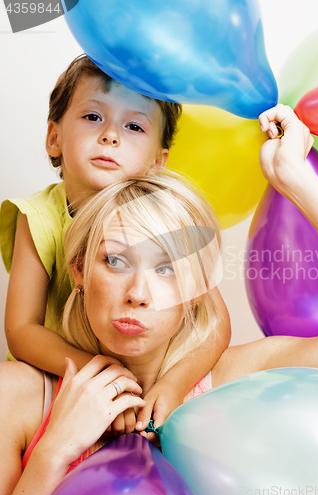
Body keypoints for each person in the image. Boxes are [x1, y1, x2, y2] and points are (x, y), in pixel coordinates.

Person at [0, 105, 318, 495]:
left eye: (167, 268)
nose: (138, 293)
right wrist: (54, 451)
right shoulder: (16, 395)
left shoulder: (243, 381)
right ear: (78, 271)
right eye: (115, 260)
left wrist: (296, 180)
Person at [0, 54, 231, 434]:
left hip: (144, 384)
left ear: (158, 161)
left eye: (134, 126)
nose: (111, 136)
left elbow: (218, 323)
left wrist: (174, 383)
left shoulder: (163, 222)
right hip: (60, 382)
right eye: (93, 117)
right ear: (54, 138)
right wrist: (100, 375)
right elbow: (22, 330)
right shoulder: (37, 216)